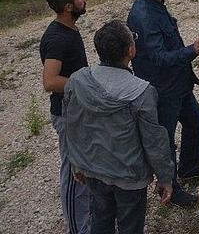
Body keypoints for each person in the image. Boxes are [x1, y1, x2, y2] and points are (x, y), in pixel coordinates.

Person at [63, 20, 174, 234]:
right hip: (129, 177)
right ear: (131, 50)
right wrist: (165, 177)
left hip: (94, 170)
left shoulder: (77, 81)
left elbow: (73, 126)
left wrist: (77, 162)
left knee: (100, 222)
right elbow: (154, 141)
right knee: (130, 226)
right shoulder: (141, 91)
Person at [127, 0, 199, 208]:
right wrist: (191, 50)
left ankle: (190, 166)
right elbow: (157, 57)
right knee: (165, 140)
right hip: (162, 89)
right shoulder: (143, 16)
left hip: (178, 83)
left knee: (196, 122)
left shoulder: (156, 3)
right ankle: (171, 188)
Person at [39, 0, 90, 234]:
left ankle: (88, 221)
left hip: (79, 111)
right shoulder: (57, 38)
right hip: (67, 115)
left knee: (86, 169)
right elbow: (49, 81)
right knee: (73, 174)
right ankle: (77, 229)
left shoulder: (70, 29)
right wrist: (84, 84)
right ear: (69, 7)